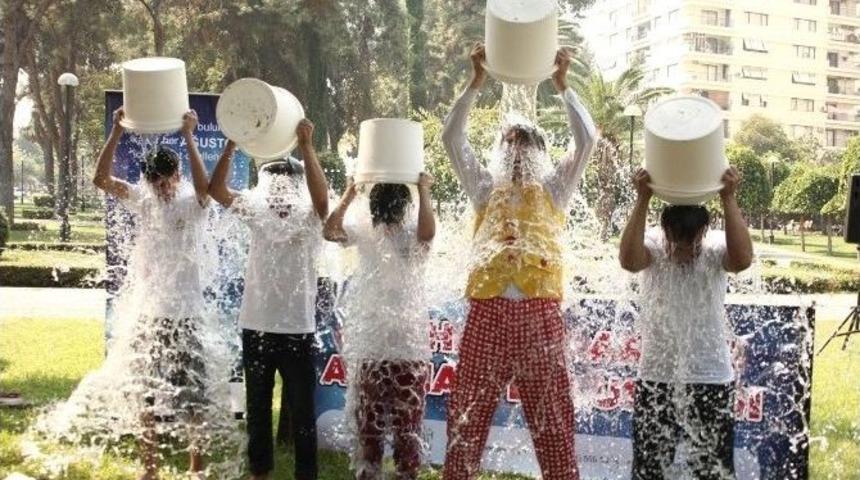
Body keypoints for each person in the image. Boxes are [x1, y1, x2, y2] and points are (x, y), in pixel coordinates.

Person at [441, 43, 596, 480]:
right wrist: (475, 83)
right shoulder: (483, 187)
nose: (515, 150)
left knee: (554, 424)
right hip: (486, 313)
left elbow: (587, 140)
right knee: (466, 420)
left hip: (540, 315)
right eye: (508, 142)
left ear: (539, 151)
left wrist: (563, 86)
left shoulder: (554, 188)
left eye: (524, 143)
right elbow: (452, 139)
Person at [92, 107, 212, 480]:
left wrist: (189, 135)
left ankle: (196, 469)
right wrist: (115, 130)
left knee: (194, 396)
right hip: (151, 314)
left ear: (178, 176)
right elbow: (100, 179)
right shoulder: (143, 200)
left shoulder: (193, 203)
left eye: (166, 181)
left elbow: (208, 190)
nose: (161, 189)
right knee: (145, 394)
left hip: (187, 314)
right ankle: (150, 469)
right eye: (155, 183)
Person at [208, 119, 328, 480]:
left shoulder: (309, 216)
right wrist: (232, 145)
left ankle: (305, 475)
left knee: (303, 413)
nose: (276, 191)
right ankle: (261, 473)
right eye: (270, 182)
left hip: (297, 329)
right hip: (257, 327)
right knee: (257, 409)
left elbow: (322, 203)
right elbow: (216, 190)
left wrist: (306, 147)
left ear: (295, 185)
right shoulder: (255, 211)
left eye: (283, 182)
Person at [618, 168, 753, 480]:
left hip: (711, 378)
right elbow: (628, 260)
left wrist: (728, 198)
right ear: (664, 230)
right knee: (648, 471)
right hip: (656, 377)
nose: (681, 250)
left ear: (704, 232)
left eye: (690, 242)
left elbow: (743, 259)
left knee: (713, 472)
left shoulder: (717, 247)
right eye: (675, 241)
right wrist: (642, 199)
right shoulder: (651, 244)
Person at [323, 173, 436, 480]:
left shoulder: (413, 233)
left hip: (407, 349)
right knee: (369, 432)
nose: (388, 215)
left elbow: (428, 234)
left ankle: (401, 475)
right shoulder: (366, 233)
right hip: (373, 348)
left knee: (406, 434)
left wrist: (424, 191)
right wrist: (348, 193)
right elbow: (330, 231)